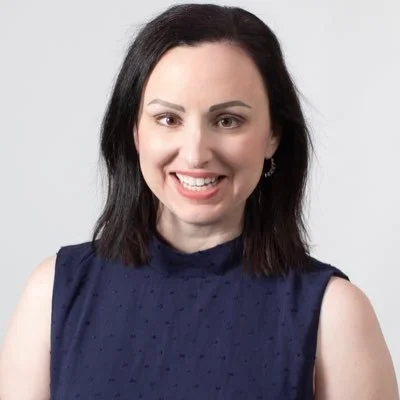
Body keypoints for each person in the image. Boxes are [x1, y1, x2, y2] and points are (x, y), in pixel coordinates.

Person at [0, 3, 398, 399]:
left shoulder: (335, 315)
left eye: (227, 120)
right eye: (168, 119)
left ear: (273, 135)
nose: (195, 154)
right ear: (135, 130)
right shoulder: (52, 293)